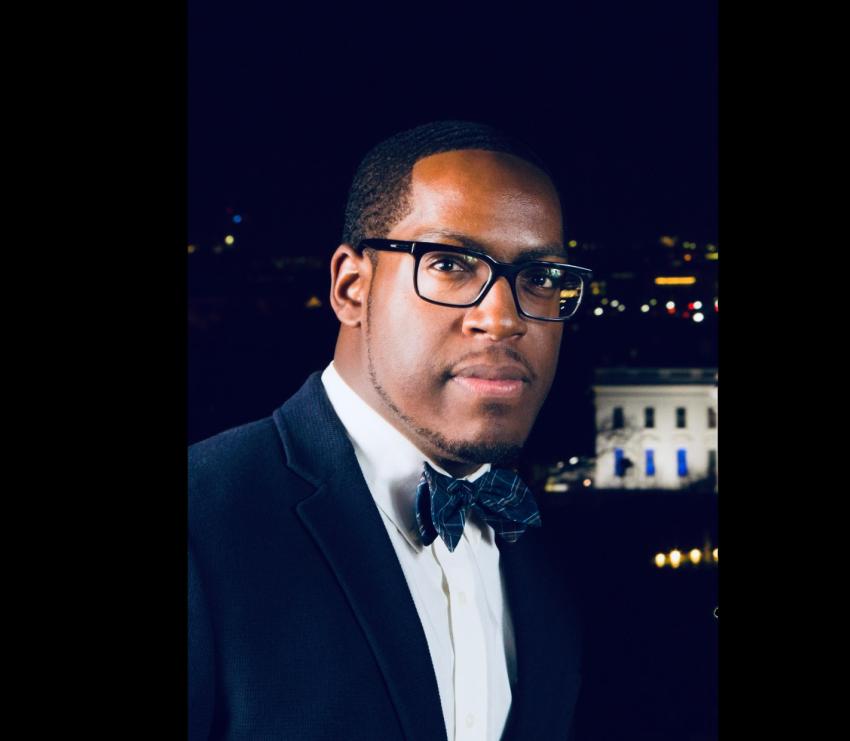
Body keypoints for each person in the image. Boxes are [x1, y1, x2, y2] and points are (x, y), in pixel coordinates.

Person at [189, 120, 594, 740]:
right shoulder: (203, 518)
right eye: (451, 264)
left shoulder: (554, 557)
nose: (504, 318)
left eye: (540, 278)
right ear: (352, 287)